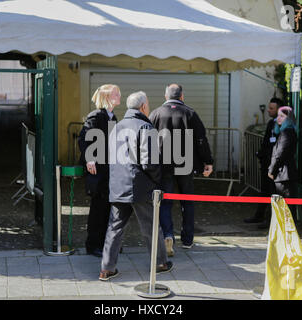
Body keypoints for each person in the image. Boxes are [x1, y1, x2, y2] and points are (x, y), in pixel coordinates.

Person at [99, 91, 172, 281]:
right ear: (143, 107)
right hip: (140, 186)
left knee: (114, 228)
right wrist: (156, 181)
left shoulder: (117, 127)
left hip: (118, 185)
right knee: (151, 227)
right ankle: (160, 263)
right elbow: (150, 162)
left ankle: (106, 269)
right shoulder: (146, 127)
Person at [149, 84, 213, 257]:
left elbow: (147, 140)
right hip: (186, 166)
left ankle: (168, 235)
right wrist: (208, 162)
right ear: (182, 96)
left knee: (165, 202)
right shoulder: (190, 114)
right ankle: (187, 239)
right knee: (187, 201)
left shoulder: (155, 114)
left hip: (164, 166)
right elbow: (201, 140)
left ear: (165, 96)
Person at [77, 84, 121, 257]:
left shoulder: (112, 117)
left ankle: (105, 243)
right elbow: (84, 138)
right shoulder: (96, 116)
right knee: (98, 209)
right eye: (116, 94)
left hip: (109, 170)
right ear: (107, 98)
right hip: (99, 172)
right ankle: (93, 244)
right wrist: (90, 159)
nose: (119, 96)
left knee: (107, 208)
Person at [244, 97, 283, 229]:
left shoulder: (281, 125)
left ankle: (269, 219)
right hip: (266, 161)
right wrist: (261, 155)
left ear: (279, 110)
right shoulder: (271, 123)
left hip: (273, 164)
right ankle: (259, 215)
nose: (268, 110)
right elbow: (267, 141)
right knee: (264, 190)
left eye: (271, 108)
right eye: (269, 108)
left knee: (272, 191)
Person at [268, 106, 298, 223]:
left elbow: (280, 154)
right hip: (283, 174)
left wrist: (272, 170)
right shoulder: (284, 132)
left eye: (282, 116)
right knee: (283, 206)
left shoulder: (288, 132)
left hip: (284, 175)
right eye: (278, 116)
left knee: (287, 206)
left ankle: (289, 232)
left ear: (289, 118)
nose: (278, 118)